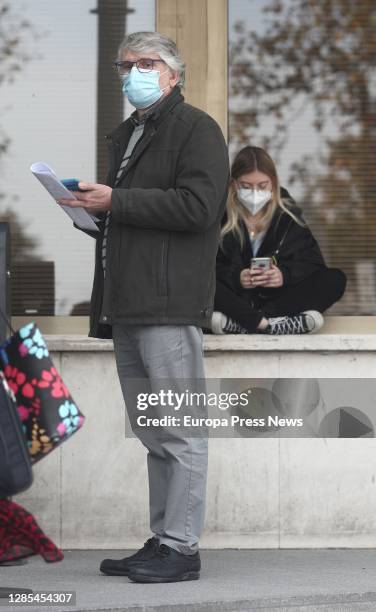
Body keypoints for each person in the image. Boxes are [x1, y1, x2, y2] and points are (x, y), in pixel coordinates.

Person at [58, 31, 229, 583]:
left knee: (179, 428)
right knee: (156, 429)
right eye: (126, 63)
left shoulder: (196, 128)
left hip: (168, 304)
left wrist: (118, 201)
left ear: (174, 74)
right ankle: (164, 539)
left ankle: (181, 548)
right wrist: (93, 213)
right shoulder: (131, 134)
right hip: (129, 305)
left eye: (147, 63)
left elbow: (200, 208)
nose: (134, 71)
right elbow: (138, 216)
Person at [212, 146, 346, 335]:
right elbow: (205, 267)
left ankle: (252, 322)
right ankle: (269, 325)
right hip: (237, 300)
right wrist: (237, 277)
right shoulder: (219, 216)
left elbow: (314, 264)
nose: (254, 193)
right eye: (246, 186)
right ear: (234, 184)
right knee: (200, 282)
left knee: (335, 279)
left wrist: (284, 275)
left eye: (262, 186)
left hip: (276, 303)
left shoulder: (288, 217)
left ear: (273, 183)